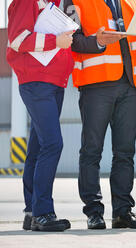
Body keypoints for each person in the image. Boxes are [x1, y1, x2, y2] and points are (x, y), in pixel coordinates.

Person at [64, 0, 136, 229]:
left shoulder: (131, 1)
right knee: (92, 150)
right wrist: (97, 41)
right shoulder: (76, 2)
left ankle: (123, 212)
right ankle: (93, 212)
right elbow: (71, 40)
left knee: (125, 151)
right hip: (97, 84)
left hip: (130, 84)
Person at [6, 0, 74, 232]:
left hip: (53, 83)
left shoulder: (53, 3)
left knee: (38, 147)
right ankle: (43, 212)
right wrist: (57, 41)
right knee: (53, 144)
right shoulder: (27, 1)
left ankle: (32, 211)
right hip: (38, 83)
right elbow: (17, 40)